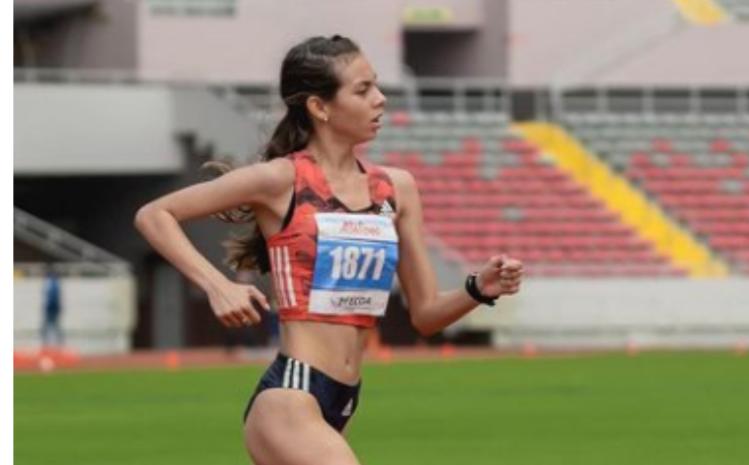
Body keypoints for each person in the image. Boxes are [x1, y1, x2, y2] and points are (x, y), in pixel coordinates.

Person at [134, 35, 524, 465]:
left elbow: (426, 314)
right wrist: (217, 285)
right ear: (320, 107)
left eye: (377, 86)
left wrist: (477, 288)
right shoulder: (280, 180)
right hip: (291, 397)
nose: (380, 99)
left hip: (343, 399)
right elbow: (154, 215)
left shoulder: (397, 188)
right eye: (363, 90)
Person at [41, 266, 63, 349]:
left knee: (47, 327)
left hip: (51, 308)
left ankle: (47, 345)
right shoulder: (54, 283)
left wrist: (48, 307)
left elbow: (53, 297)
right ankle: (57, 343)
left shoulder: (51, 283)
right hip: (53, 308)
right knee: (54, 326)